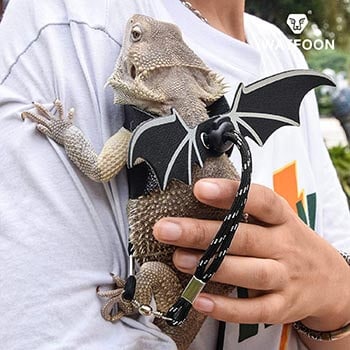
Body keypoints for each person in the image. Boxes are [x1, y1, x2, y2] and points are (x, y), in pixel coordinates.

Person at [0, 0, 349, 349]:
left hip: (183, 283)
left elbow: (98, 167)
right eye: (136, 34)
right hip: (190, 287)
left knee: (151, 276)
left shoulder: (280, 50)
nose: (133, 30)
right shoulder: (66, 21)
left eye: (135, 36)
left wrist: (335, 295)